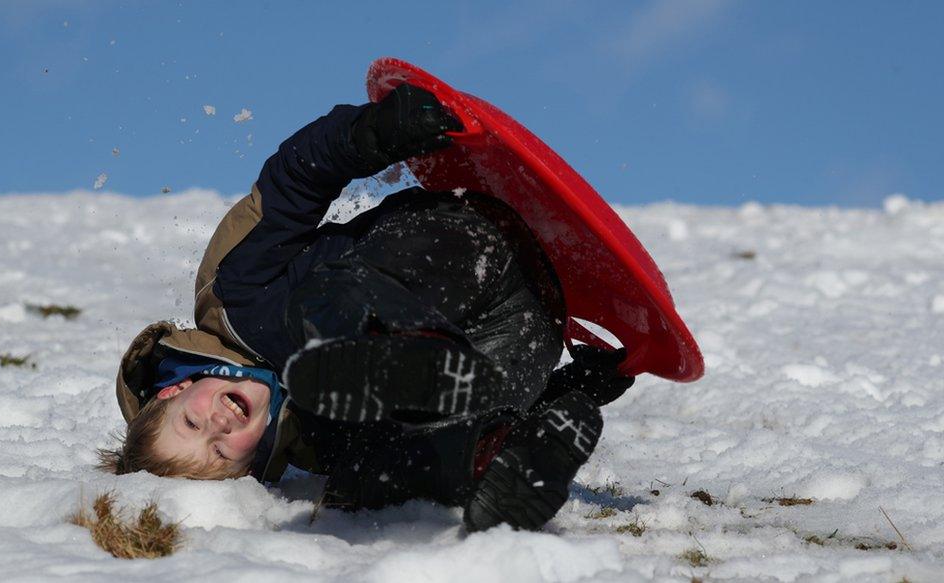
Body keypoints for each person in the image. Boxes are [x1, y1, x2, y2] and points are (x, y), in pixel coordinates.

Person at [100, 83, 635, 532]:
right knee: (370, 473)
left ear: (175, 390)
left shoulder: (236, 295)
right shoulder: (318, 445)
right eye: (221, 452)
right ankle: (500, 456)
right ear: (245, 470)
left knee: (312, 315)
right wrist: (575, 388)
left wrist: (372, 134)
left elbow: (294, 181)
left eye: (193, 424)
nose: (219, 424)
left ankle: (400, 342)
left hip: (454, 245)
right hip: (531, 320)